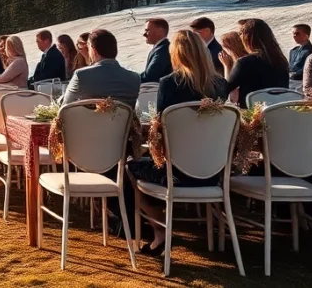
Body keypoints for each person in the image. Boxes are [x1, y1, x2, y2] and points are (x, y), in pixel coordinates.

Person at [126, 29, 228, 254]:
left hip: (177, 173)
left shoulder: (169, 83)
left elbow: (161, 128)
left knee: (129, 167)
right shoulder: (220, 85)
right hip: (214, 172)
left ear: (177, 54)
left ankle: (159, 227)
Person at [59, 29, 141, 107]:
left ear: (94, 51)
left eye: (89, 47)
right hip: (121, 121)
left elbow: (65, 107)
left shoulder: (81, 75)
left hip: (87, 121)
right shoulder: (135, 78)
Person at [220, 19, 289, 108]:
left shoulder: (244, 62)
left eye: (241, 34)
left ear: (247, 38)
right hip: (276, 111)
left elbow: (225, 91)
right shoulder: (281, 61)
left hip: (252, 115)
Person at [139, 18, 172, 83]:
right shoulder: (160, 48)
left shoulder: (163, 51)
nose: (144, 34)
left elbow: (150, 76)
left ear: (159, 31)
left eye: (147, 30)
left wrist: (130, 79)